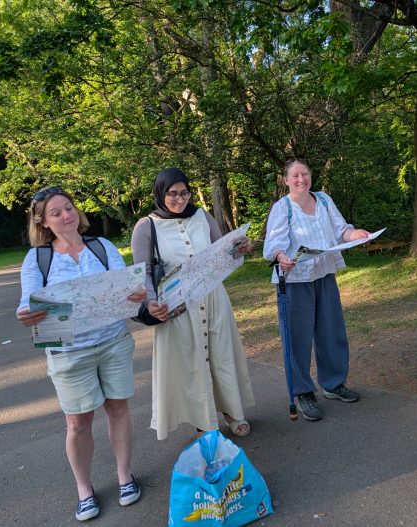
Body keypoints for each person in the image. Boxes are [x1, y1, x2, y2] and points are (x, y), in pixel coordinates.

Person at [16, 186, 144, 522]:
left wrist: (136, 294)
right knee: (77, 423)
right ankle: (84, 491)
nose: (66, 216)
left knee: (118, 408)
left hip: (113, 340)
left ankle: (124, 476)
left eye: (69, 208)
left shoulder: (101, 247)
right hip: (68, 351)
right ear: (42, 221)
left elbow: (125, 288)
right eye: (55, 212)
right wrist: (26, 313)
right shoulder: (38, 258)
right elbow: (28, 302)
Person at [131, 167, 255, 440]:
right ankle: (204, 423)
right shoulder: (146, 226)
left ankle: (232, 412)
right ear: (160, 193)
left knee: (222, 355)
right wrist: (153, 305)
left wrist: (239, 248)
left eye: (184, 192)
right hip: (177, 306)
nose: (179, 199)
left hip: (213, 297)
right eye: (172, 194)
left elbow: (222, 251)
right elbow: (143, 275)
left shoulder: (202, 215)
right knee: (191, 365)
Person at [263, 159, 370, 421]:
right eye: (295, 176)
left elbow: (340, 229)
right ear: (286, 180)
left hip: (324, 274)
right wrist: (280, 256)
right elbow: (272, 244)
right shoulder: (282, 207)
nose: (301, 180)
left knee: (331, 331)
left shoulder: (323, 199)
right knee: (298, 339)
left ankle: (333, 384)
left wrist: (354, 234)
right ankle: (303, 393)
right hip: (295, 280)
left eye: (305, 174)